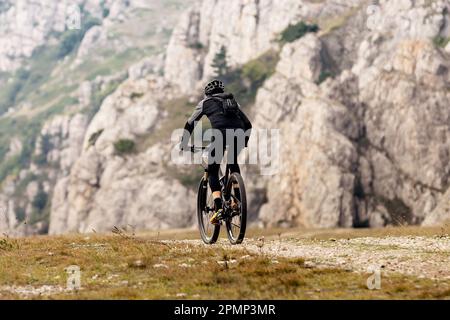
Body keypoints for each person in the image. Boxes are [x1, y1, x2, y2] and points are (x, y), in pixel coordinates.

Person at [180, 79, 252, 225]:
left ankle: (219, 208)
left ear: (207, 94)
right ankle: (236, 201)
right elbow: (248, 124)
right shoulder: (233, 102)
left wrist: (184, 142)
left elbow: (190, 123)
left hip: (220, 137)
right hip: (239, 135)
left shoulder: (205, 103)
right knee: (232, 162)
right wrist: (244, 141)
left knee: (212, 170)